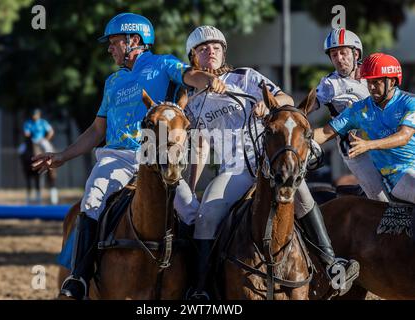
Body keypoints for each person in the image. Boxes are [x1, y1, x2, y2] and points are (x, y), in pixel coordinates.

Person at [31, 13, 226, 300]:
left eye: (113, 42)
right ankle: (79, 279)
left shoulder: (162, 64)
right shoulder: (112, 81)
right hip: (116, 157)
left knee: (191, 210)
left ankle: (201, 287)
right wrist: (63, 155)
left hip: (156, 158)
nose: (109, 49)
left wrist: (209, 79)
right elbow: (98, 129)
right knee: (92, 197)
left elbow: (189, 75)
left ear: (133, 40)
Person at [175, 26, 358, 300]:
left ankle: (332, 265)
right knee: (206, 218)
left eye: (215, 47)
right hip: (233, 170)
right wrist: (191, 184)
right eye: (202, 49)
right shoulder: (193, 100)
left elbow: (284, 99)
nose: (210, 52)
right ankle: (202, 288)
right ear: (193, 58)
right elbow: (200, 146)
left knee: (304, 198)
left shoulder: (246, 76)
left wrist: (267, 104)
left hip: (266, 161)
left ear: (223, 51)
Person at [314, 53, 415, 204]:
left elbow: (404, 136)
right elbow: (324, 133)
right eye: (368, 82)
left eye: (377, 82)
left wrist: (368, 145)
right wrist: (293, 136)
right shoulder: (358, 109)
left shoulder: (410, 103)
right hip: (398, 175)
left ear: (392, 81)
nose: (371, 88)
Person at [311, 28, 388, 201]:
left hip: (384, 144)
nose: (339, 58)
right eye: (333, 54)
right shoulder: (330, 84)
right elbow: (308, 106)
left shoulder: (375, 73)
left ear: (356, 53)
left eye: (343, 53)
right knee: (382, 202)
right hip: (357, 153)